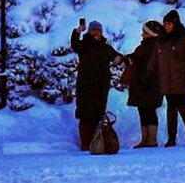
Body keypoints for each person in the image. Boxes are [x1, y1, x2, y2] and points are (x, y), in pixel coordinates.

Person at [70, 19, 124, 150]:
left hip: (101, 85)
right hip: (85, 84)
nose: (96, 32)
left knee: (98, 114)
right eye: (94, 29)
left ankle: (96, 142)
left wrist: (119, 59)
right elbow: (74, 44)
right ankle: (85, 143)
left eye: (98, 30)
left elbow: (117, 56)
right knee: (85, 114)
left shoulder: (106, 47)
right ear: (89, 31)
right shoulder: (84, 45)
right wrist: (77, 31)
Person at [148, 9, 185, 146]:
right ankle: (171, 138)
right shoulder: (161, 41)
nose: (166, 26)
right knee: (171, 109)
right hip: (166, 81)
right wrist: (150, 72)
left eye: (169, 23)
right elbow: (154, 59)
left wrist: (182, 56)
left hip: (182, 79)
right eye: (165, 23)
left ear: (175, 24)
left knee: (182, 107)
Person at [126, 20, 164, 148]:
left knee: (148, 110)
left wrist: (133, 61)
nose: (142, 34)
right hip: (143, 83)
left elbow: (147, 64)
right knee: (143, 110)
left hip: (149, 83)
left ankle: (151, 139)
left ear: (151, 34)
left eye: (145, 32)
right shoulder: (145, 46)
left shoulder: (154, 47)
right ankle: (146, 139)